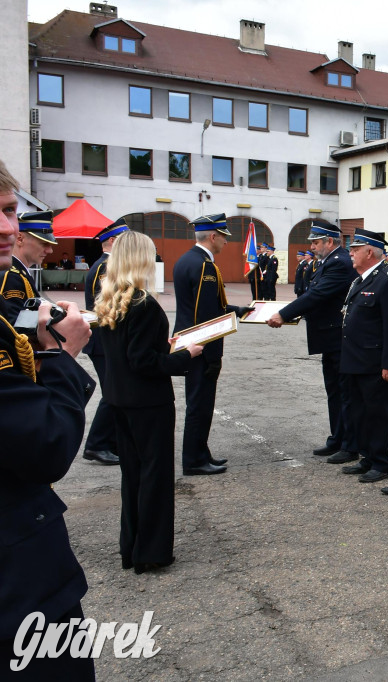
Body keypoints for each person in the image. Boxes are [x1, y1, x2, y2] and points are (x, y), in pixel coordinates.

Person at [0, 159, 97, 680]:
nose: (7, 229)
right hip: (18, 583)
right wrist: (61, 359)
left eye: (10, 211)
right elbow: (43, 446)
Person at [96, 231, 202, 574]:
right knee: (155, 476)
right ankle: (152, 552)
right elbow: (143, 361)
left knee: (133, 475)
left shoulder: (112, 299)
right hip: (148, 402)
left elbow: (129, 353)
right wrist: (185, 355)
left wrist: (164, 345)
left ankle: (132, 547)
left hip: (120, 399)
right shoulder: (142, 303)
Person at [268, 221, 356, 459]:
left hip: (338, 337)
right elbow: (311, 294)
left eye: (316, 242)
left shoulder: (340, 263)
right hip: (329, 337)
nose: (312, 246)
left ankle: (349, 444)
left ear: (329, 241)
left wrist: (283, 314)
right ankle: (337, 438)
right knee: (334, 391)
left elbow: (317, 294)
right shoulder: (328, 261)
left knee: (343, 392)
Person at [172, 213, 249, 475]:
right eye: (224, 237)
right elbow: (205, 315)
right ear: (213, 236)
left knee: (199, 403)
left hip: (191, 341)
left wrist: (236, 310)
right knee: (200, 405)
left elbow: (208, 305)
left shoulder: (187, 260)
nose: (226, 242)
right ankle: (194, 461)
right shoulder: (205, 266)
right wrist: (211, 350)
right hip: (200, 346)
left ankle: (201, 454)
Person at [336, 229, 388, 482]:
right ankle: (368, 457)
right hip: (354, 359)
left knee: (377, 414)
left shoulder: (386, 280)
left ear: (369, 252)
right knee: (359, 412)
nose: (350, 253)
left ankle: (382, 462)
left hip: (373, 363)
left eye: (355, 249)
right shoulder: (359, 279)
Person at [81, 218, 130, 467]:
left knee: (115, 388)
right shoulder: (105, 267)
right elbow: (108, 306)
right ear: (112, 241)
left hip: (105, 338)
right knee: (112, 391)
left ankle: (107, 442)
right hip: (103, 339)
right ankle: (97, 445)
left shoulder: (108, 265)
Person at [1, 210, 54, 322]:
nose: (50, 251)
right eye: (44, 244)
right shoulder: (11, 276)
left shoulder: (18, 272)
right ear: (20, 239)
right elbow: (15, 326)